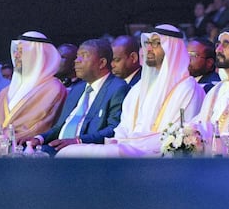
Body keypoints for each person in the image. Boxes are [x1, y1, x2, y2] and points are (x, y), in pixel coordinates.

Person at [58, 25, 204, 158]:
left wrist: (129, 145)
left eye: (157, 43)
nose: (149, 49)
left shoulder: (187, 88)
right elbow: (122, 127)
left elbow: (178, 136)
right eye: (147, 43)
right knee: (68, 152)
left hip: (155, 154)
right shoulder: (138, 88)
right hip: (125, 148)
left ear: (172, 49)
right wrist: (121, 142)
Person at [27, 38, 129, 156]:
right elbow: (60, 126)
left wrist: (78, 141)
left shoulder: (118, 88)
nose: (77, 61)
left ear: (102, 63)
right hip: (58, 148)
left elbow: (114, 129)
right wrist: (39, 138)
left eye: (84, 56)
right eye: (77, 56)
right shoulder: (77, 89)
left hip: (86, 151)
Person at [0, 32, 67, 143]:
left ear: (38, 55)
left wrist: (9, 139)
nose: (16, 56)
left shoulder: (53, 88)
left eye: (21, 52)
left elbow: (45, 124)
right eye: (16, 51)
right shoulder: (7, 90)